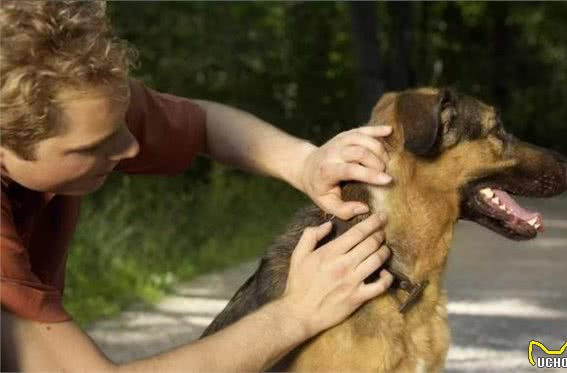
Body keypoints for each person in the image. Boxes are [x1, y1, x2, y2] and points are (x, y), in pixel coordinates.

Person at [0, 1, 395, 371]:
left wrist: (305, 163)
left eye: (123, 121)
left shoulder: (79, 99)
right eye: (92, 147)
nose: (131, 145)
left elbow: (204, 125)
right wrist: (295, 314)